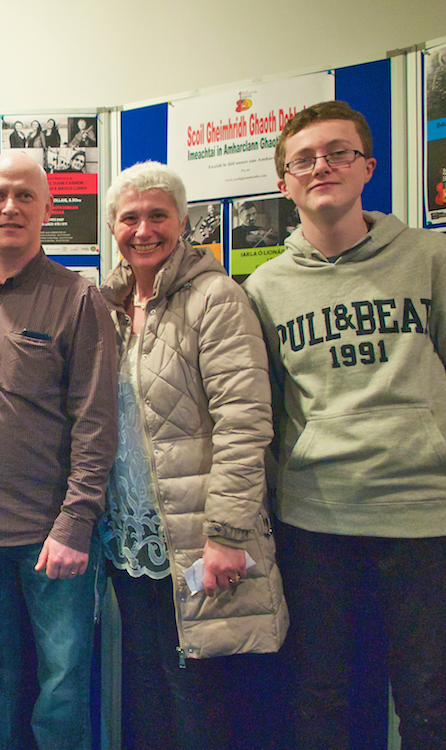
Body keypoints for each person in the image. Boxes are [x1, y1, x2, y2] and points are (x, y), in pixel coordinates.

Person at [244, 100, 446, 750]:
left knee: (428, 699)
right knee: (322, 696)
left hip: (423, 519)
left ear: (368, 167)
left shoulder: (429, 259)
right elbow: (267, 408)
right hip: (316, 525)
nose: (321, 166)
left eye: (338, 153)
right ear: (284, 184)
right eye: (303, 159)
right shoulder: (268, 286)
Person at [0, 151, 118, 750]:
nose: (10, 207)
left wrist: (76, 523)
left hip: (50, 534)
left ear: (48, 210)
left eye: (25, 197)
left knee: (61, 682)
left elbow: (95, 422)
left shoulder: (80, 300)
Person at [99, 161, 288, 750]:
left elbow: (245, 419)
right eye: (130, 217)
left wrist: (227, 533)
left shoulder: (216, 297)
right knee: (148, 691)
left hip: (199, 537)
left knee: (201, 698)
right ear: (113, 226)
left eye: (159, 215)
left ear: (183, 222)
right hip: (130, 539)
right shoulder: (107, 307)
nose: (144, 229)